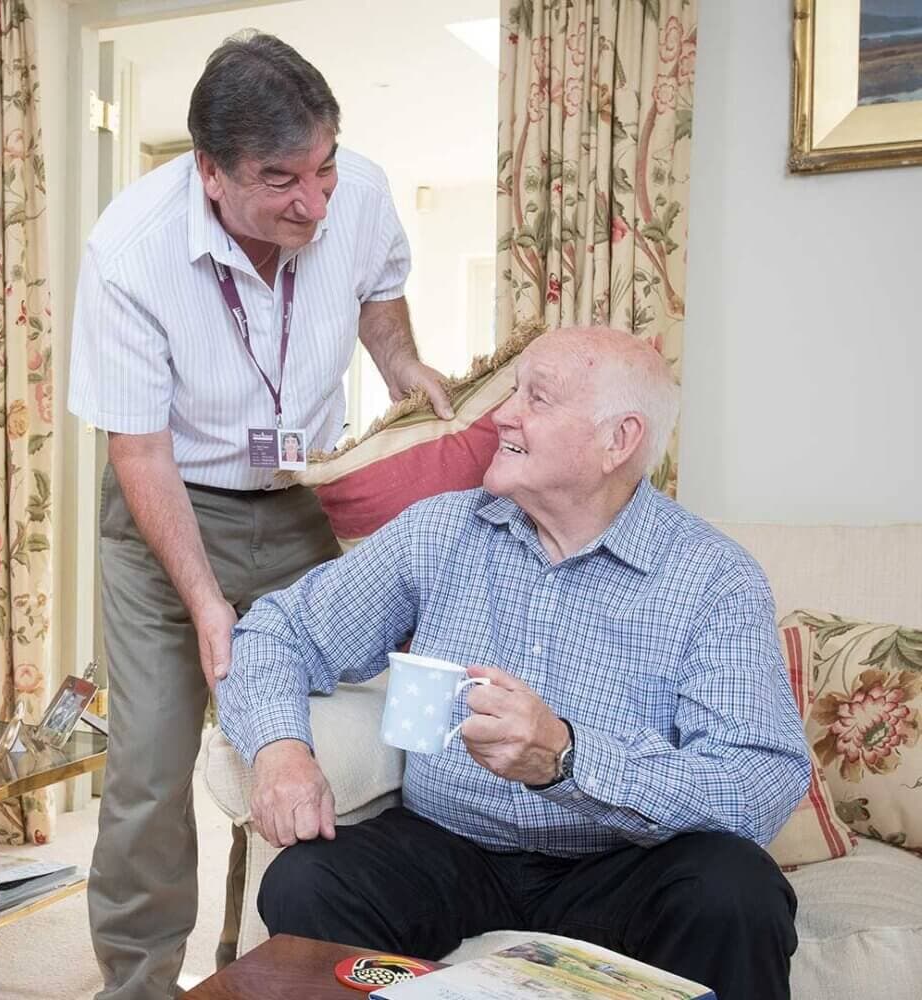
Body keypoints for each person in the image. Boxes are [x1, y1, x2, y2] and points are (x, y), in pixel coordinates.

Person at [218, 327, 813, 1000]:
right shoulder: (441, 531)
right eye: (513, 393)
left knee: (737, 893)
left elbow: (757, 783)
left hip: (624, 861)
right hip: (450, 845)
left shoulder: (713, 579)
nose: (503, 415)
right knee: (307, 882)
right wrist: (281, 752)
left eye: (537, 398)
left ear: (618, 440)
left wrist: (568, 758)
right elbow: (276, 631)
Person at [67, 31, 452, 1000]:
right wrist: (205, 604)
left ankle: (281, 969)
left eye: (323, 167)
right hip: (168, 512)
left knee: (318, 736)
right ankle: (138, 984)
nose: (313, 202)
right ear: (211, 172)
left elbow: (381, 291)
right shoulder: (131, 251)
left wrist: (402, 365)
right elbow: (140, 451)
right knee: (150, 770)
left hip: (300, 501)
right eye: (281, 180)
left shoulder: (358, 194)